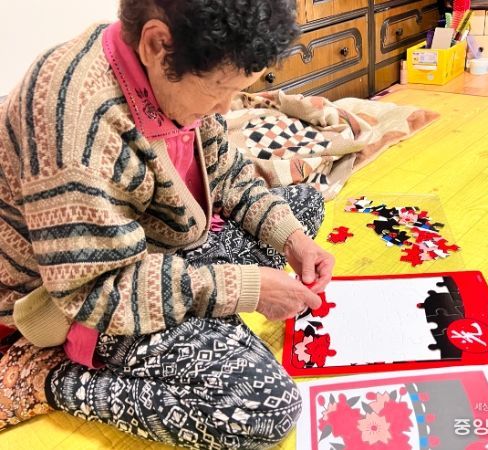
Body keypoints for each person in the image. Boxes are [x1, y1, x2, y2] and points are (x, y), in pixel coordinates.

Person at [0, 1, 335, 448]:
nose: (226, 107)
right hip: (76, 301)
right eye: (220, 90)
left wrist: (291, 239)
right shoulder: (75, 126)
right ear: (157, 44)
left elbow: (225, 171)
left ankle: (212, 317)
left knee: (303, 207)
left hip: (156, 248)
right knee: (265, 408)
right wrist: (243, 288)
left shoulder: (165, 72)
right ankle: (52, 380)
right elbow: (94, 291)